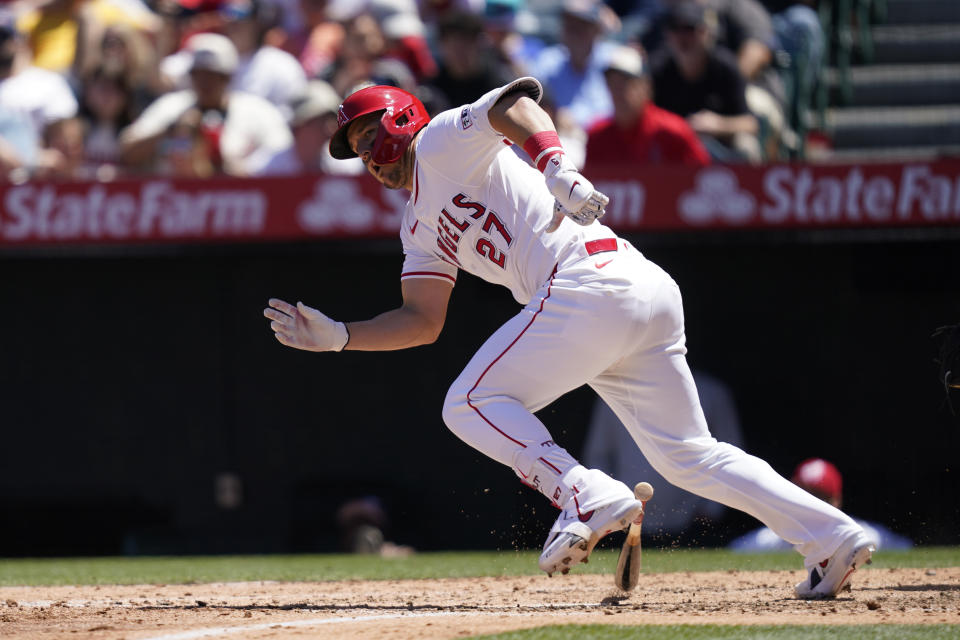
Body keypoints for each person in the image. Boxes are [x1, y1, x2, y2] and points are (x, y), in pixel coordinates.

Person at [263, 77, 875, 598]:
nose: (367, 154)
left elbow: (516, 102)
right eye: (355, 148)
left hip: (589, 281)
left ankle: (581, 492)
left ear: (400, 116)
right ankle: (831, 536)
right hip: (632, 292)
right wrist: (341, 337)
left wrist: (556, 165)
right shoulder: (415, 225)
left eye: (369, 135)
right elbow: (422, 320)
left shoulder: (440, 139)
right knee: (690, 456)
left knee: (467, 403)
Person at [583, 368, 743, 542]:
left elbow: (730, 448)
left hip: (692, 517)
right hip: (627, 514)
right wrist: (609, 505)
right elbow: (598, 455)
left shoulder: (711, 391)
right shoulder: (612, 392)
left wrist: (712, 508)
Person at [120, 32, 292, 175]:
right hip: (177, 205)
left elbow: (286, 156)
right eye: (198, 75)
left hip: (239, 205)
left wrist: (239, 168)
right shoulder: (172, 106)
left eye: (212, 76)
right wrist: (170, 131)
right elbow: (126, 150)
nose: (204, 83)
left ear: (228, 77)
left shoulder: (256, 110)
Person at [650, 0, 761, 162]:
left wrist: (717, 124)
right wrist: (681, 128)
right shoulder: (658, 69)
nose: (682, 38)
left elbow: (751, 124)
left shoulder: (725, 67)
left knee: (746, 145)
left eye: (689, 29)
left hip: (719, 143)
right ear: (667, 35)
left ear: (705, 33)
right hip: (674, 143)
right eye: (675, 29)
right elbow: (647, 119)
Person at [730, 458, 913, 552]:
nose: (813, 506)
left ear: (837, 500)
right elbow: (734, 552)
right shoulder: (766, 542)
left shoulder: (865, 535)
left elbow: (909, 549)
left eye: (820, 498)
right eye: (804, 496)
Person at [585, 44, 709, 172]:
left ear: (646, 86)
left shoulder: (673, 131)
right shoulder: (597, 136)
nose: (619, 91)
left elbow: (702, 177)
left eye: (626, 83)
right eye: (613, 83)